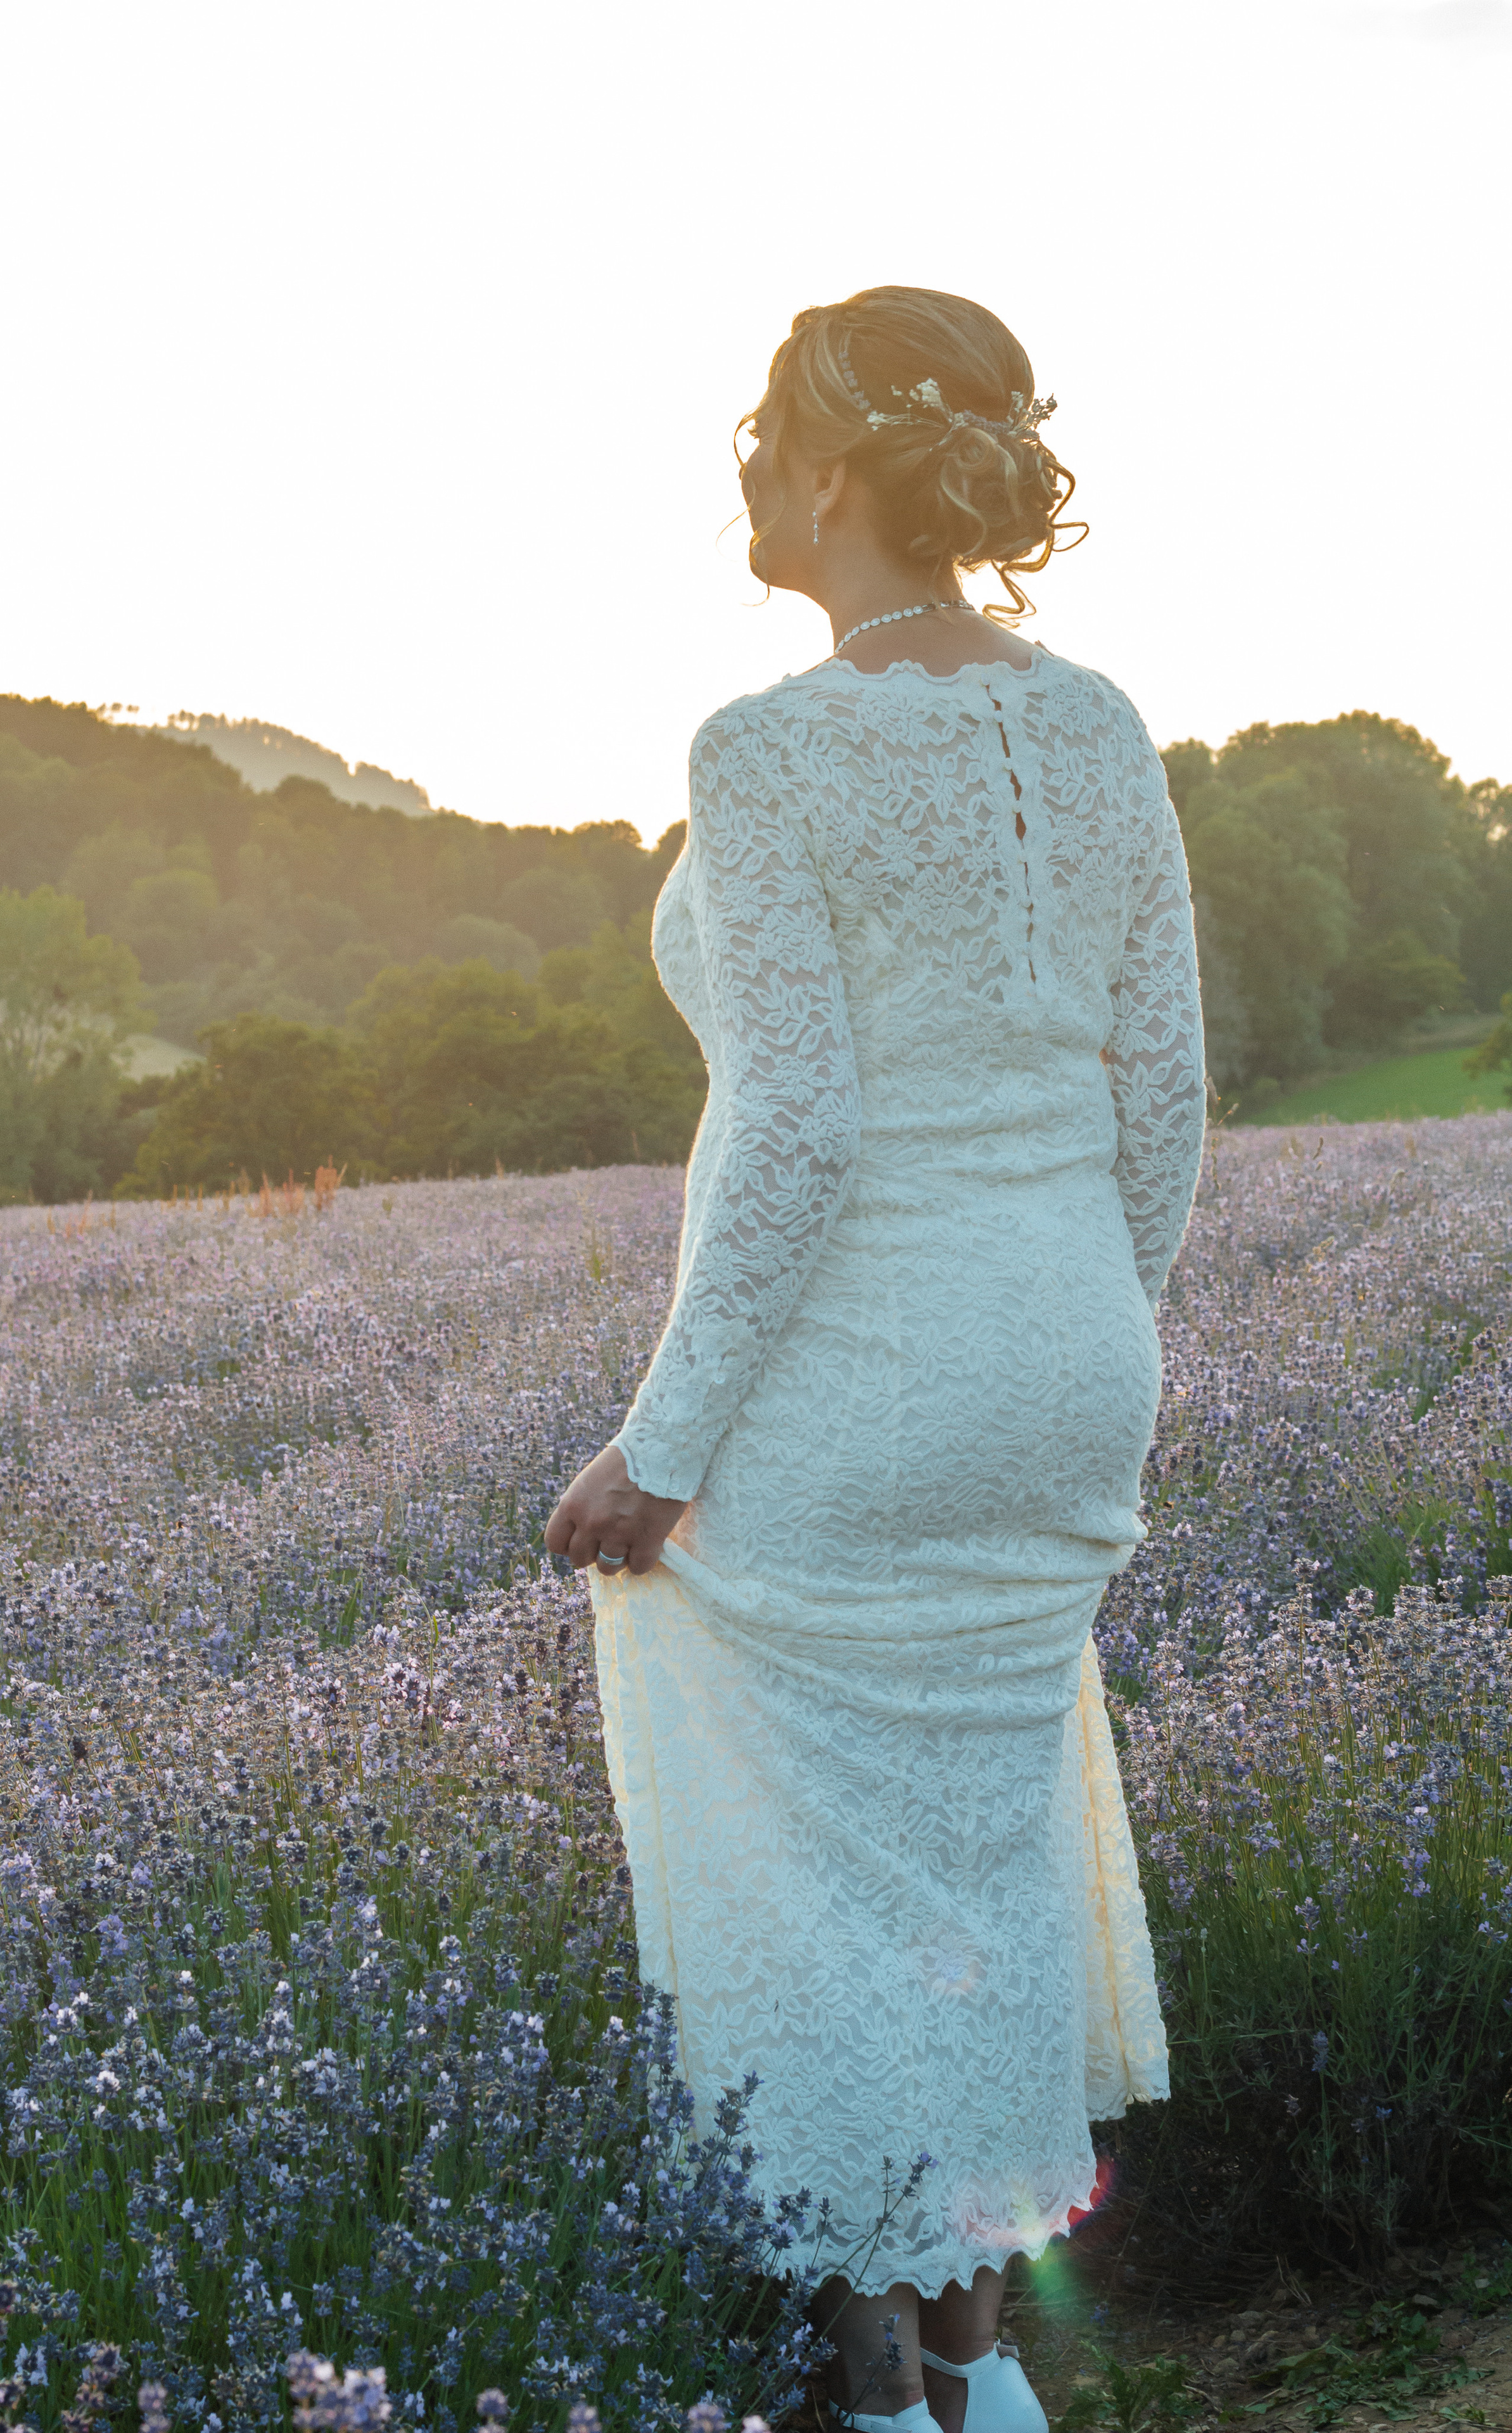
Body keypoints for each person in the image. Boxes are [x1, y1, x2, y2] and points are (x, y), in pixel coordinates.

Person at [543, 285, 1207, 2433]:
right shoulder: (1101, 724)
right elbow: (1168, 1101)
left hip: (859, 1373)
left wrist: (663, 1444)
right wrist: (1085, 1331)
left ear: (834, 472)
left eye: (760, 432)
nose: (739, 465)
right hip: (1070, 1360)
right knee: (986, 1855)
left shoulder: (765, 745)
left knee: (797, 1870)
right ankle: (980, 2376)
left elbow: (804, 1125)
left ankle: (876, 2390)